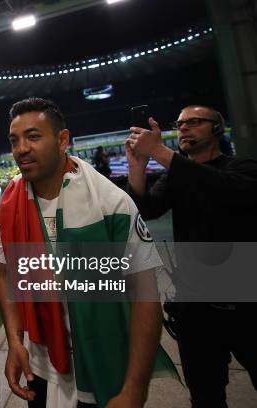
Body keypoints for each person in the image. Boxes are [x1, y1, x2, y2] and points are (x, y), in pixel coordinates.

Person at [0, 97, 176, 407]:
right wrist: (14, 341)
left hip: (103, 364)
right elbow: (6, 275)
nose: (22, 148)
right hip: (39, 365)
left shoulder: (111, 203)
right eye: (15, 140)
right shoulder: (9, 204)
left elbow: (145, 297)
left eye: (34, 136)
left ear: (62, 139)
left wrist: (134, 390)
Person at [125, 105, 257, 407]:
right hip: (197, 308)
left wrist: (161, 152)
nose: (183, 128)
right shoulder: (177, 178)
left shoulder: (243, 168)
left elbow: (222, 187)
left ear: (216, 129)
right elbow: (145, 212)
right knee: (205, 395)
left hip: (249, 305)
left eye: (194, 122)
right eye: (180, 123)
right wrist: (137, 166)